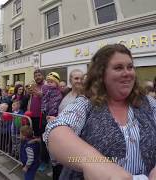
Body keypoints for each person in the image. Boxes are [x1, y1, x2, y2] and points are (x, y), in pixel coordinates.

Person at [43, 44, 156, 179]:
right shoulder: (86, 103)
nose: (127, 73)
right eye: (118, 68)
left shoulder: (148, 103)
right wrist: (95, 163)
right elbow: (57, 131)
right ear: (101, 74)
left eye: (130, 67)